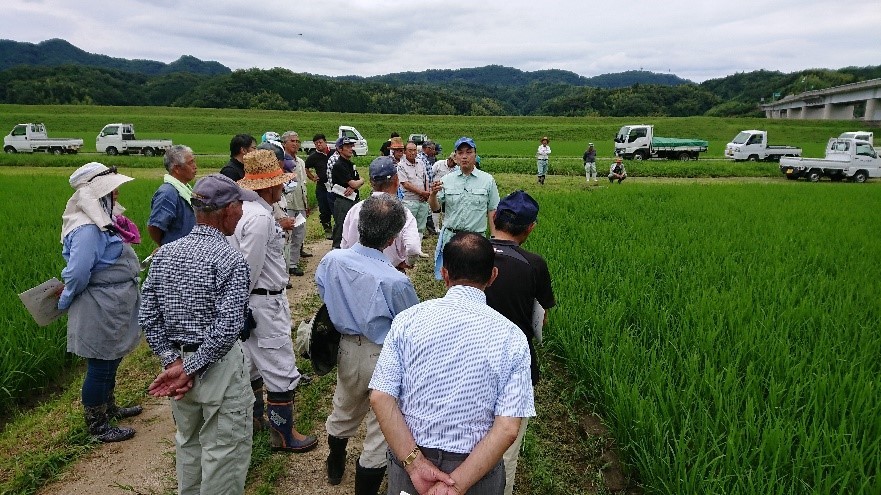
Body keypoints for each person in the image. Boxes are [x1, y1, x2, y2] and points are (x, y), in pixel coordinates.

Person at [369, 232, 535, 495]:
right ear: (492, 276)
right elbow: (507, 428)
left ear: (444, 274)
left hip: (411, 463)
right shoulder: (511, 336)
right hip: (477, 471)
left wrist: (415, 464)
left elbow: (380, 397)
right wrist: (456, 486)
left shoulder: (407, 321)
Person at [140, 174, 258, 495]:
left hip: (179, 364)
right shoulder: (230, 259)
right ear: (225, 210)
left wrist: (172, 361)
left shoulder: (164, 254)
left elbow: (149, 315)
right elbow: (227, 328)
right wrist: (190, 368)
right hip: (217, 367)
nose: (242, 212)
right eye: (239, 205)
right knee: (224, 455)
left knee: (188, 445)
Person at [315, 195, 420, 494]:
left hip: (347, 347)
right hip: (383, 354)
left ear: (359, 225)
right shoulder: (396, 281)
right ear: (392, 238)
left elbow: (323, 290)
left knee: (344, 406)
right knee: (380, 428)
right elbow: (408, 322)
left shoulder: (332, 259)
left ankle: (335, 463)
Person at [228, 149, 318, 452]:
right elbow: (247, 268)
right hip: (263, 302)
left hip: (255, 300)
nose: (283, 187)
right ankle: (283, 434)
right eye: (280, 182)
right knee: (279, 364)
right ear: (268, 186)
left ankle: (255, 421)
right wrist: (243, 305)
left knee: (251, 363)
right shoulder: (259, 219)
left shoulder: (249, 212)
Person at [58, 162, 143, 443]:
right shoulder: (86, 228)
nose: (116, 192)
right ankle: (97, 425)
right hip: (99, 304)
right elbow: (78, 271)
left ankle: (109, 408)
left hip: (113, 301)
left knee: (112, 358)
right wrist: (67, 297)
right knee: (101, 364)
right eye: (111, 188)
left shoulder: (103, 219)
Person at [484, 190, 556, 495]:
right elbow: (542, 319)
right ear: (530, 228)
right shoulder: (534, 264)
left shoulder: (470, 251)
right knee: (504, 451)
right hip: (515, 365)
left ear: (496, 217)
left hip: (466, 356)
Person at [428, 136, 500, 279]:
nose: (464, 157)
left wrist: (494, 239)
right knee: (452, 279)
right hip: (452, 239)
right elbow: (436, 208)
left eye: (468, 152)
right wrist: (433, 195)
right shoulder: (446, 180)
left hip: (476, 240)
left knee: (475, 279)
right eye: (460, 153)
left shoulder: (487, 180)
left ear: (475, 154)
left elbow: (492, 210)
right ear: (455, 156)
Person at [341, 156, 421, 271]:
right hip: (390, 270)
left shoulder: (356, 209)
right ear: (397, 180)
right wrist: (408, 262)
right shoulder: (403, 212)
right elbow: (413, 248)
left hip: (358, 271)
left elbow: (345, 244)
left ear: (371, 182)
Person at [147, 145, 197, 246]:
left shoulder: (184, 188)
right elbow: (154, 227)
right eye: (190, 163)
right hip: (177, 253)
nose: (195, 166)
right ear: (177, 169)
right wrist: (165, 246)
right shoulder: (168, 193)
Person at [281, 131, 311, 277]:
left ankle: (293, 263)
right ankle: (284, 265)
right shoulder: (281, 161)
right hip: (287, 203)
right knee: (286, 236)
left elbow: (303, 184)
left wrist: (306, 203)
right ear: (284, 143)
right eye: (292, 141)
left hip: (300, 203)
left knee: (299, 234)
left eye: (297, 141)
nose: (295, 144)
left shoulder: (301, 162)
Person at [329, 136, 363, 249]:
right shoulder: (339, 165)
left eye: (351, 146)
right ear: (339, 149)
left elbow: (358, 180)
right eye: (347, 147)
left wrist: (357, 184)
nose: (350, 149)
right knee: (341, 225)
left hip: (352, 198)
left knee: (352, 226)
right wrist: (356, 183)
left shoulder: (350, 164)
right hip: (343, 200)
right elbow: (354, 183)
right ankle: (336, 249)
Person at [398, 141, 430, 239]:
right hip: (409, 201)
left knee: (420, 227)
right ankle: (406, 252)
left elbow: (426, 179)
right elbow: (405, 184)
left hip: (422, 200)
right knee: (407, 227)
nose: (413, 153)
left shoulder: (421, 163)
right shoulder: (401, 165)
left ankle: (417, 249)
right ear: (405, 152)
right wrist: (422, 192)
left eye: (414, 150)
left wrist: (427, 193)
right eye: (410, 150)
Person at [304, 133, 333, 237]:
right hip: (322, 186)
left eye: (320, 142)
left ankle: (340, 228)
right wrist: (312, 177)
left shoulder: (334, 153)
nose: (318, 145)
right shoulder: (313, 157)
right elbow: (305, 167)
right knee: (324, 208)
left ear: (325, 142)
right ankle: (327, 228)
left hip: (335, 186)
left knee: (336, 208)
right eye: (316, 144)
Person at [429, 152, 458, 232]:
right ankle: (436, 227)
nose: (454, 165)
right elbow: (430, 175)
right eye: (453, 162)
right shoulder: (439, 164)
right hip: (437, 191)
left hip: (449, 191)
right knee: (436, 209)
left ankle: (445, 225)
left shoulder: (456, 169)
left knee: (447, 209)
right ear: (449, 159)